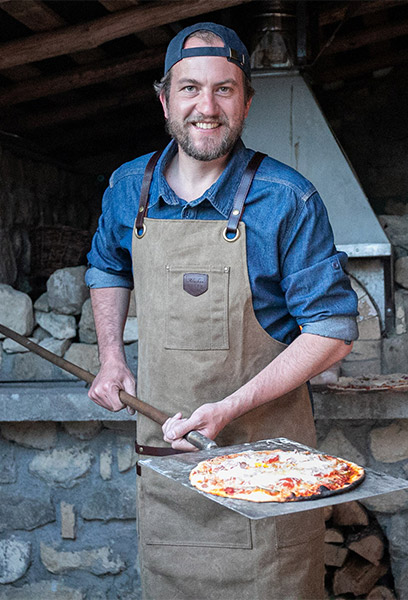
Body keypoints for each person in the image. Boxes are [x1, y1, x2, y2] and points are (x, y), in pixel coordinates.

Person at [86, 22, 358, 600]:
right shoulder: (126, 187)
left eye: (224, 90)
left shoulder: (288, 199)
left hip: (268, 475)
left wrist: (229, 407)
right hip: (170, 475)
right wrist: (111, 357)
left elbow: (332, 332)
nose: (205, 107)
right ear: (164, 98)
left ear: (247, 101)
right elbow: (108, 266)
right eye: (189, 88)